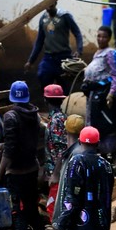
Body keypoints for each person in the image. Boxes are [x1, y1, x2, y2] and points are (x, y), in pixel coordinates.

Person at [0, 81, 50, 230]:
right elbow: (20, 142)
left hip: (17, 174)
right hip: (32, 170)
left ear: (12, 97)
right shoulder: (34, 114)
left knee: (20, 213)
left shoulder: (10, 117)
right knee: (31, 210)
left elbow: (11, 152)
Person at [82, 26, 116, 164]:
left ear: (109, 38)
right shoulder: (97, 53)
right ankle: (100, 159)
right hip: (94, 99)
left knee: (107, 128)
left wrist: (111, 95)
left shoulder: (111, 53)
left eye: (104, 37)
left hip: (105, 100)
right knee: (96, 127)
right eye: (99, 36)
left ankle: (110, 161)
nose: (101, 39)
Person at [24, 3, 83, 94]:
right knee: (42, 74)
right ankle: (48, 102)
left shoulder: (65, 16)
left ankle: (63, 105)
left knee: (64, 85)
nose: (48, 8)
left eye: (50, 5)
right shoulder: (43, 19)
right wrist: (31, 61)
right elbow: (39, 41)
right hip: (49, 57)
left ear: (55, 3)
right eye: (46, 6)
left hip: (63, 57)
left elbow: (77, 33)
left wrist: (79, 50)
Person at [43, 84, 68, 219]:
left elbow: (61, 150)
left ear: (45, 100)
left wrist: (55, 174)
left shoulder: (56, 121)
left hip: (58, 173)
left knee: (54, 210)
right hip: (57, 170)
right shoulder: (61, 117)